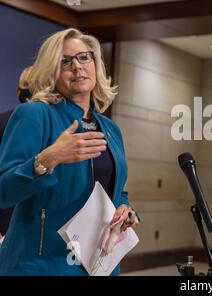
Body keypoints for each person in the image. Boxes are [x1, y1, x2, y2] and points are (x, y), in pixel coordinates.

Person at [0, 28, 139, 275]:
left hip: (98, 263)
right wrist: (48, 159)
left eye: (84, 57)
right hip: (40, 263)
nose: (77, 66)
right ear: (51, 72)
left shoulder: (111, 129)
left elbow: (118, 189)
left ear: (96, 64)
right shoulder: (33, 115)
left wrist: (124, 209)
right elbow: (3, 192)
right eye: (65, 61)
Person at [0, 66, 32, 239]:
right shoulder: (3, 122)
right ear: (18, 90)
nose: (30, 90)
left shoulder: (60, 126)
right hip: (7, 220)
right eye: (26, 85)